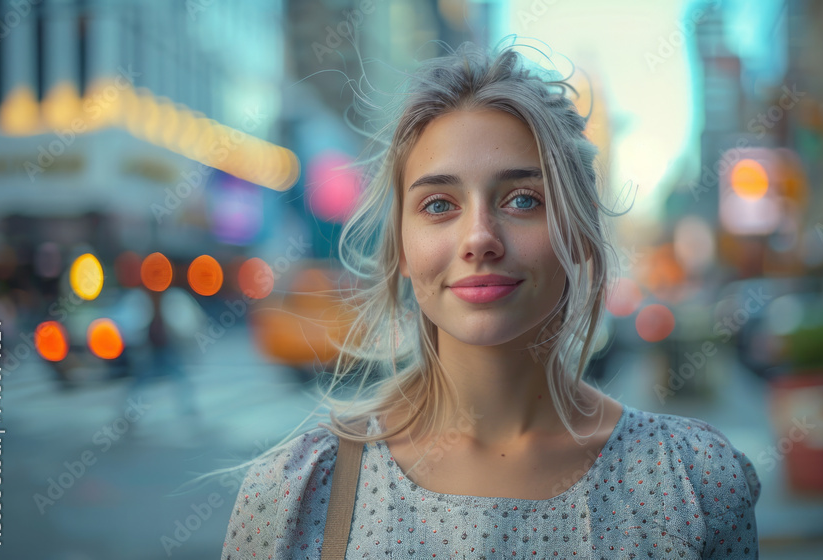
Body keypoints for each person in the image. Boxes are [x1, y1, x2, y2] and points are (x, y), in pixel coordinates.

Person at [220, 40, 761, 559]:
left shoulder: (692, 484)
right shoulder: (295, 496)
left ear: (576, 233)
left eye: (523, 199)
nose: (479, 236)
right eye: (438, 205)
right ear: (403, 248)